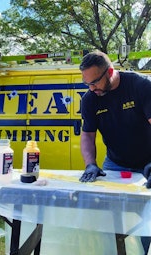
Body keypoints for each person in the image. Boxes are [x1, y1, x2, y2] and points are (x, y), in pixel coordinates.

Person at [79, 50, 151, 254]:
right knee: (110, 216)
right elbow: (87, 135)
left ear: (110, 71)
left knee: (146, 218)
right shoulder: (90, 99)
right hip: (115, 163)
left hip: (148, 163)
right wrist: (90, 163)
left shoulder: (140, 86)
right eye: (87, 84)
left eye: (94, 82)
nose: (91, 89)